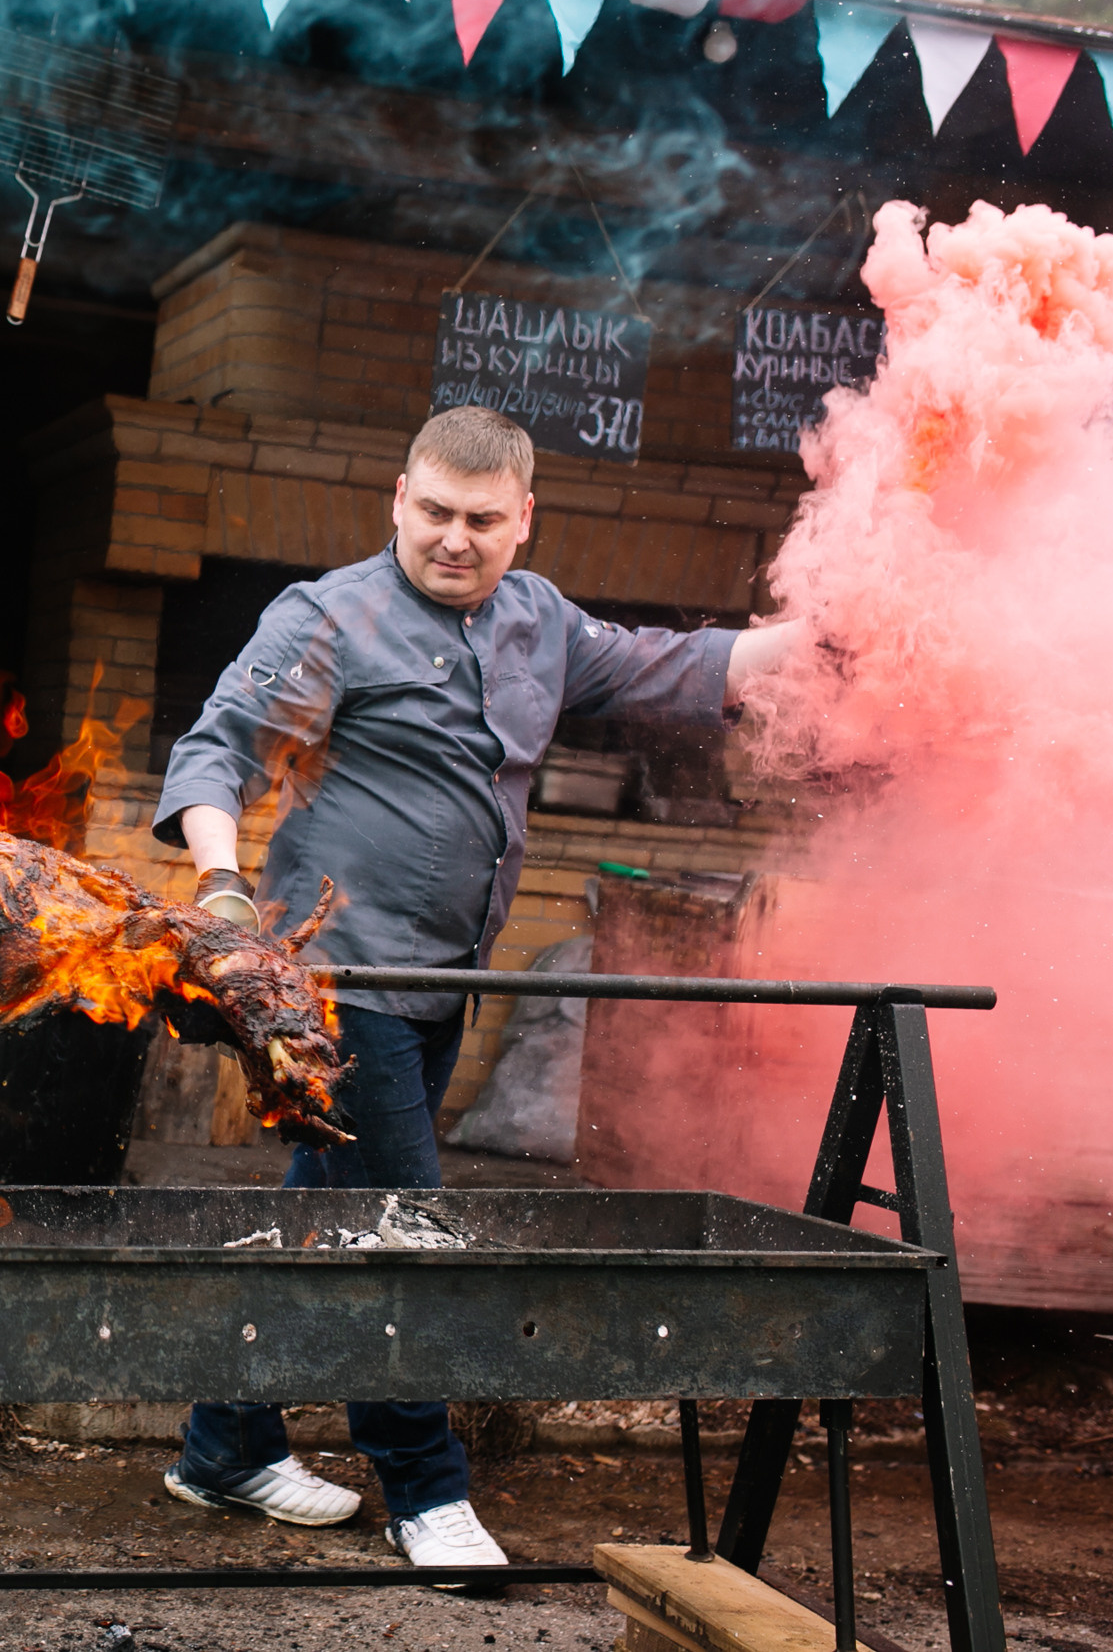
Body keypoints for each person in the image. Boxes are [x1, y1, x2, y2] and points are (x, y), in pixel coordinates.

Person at [151, 405, 803, 1574]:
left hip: (446, 983)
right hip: (347, 983)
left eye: (482, 522)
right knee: (404, 1227)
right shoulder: (329, 619)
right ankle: (424, 1489)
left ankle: (223, 1443)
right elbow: (223, 746)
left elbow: (672, 666)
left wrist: (826, 635)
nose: (455, 539)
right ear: (399, 498)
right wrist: (219, 883)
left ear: (523, 521)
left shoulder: (536, 620)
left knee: (322, 1220)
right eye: (436, 514)